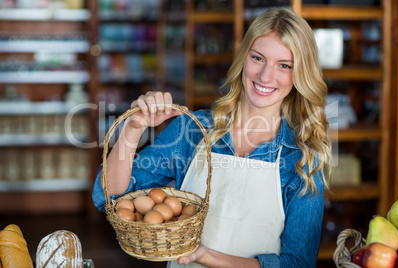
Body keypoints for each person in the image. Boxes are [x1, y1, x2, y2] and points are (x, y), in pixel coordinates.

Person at [92, 7, 332, 268]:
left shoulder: (302, 158)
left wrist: (205, 256)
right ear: (243, 58)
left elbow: (297, 264)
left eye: (284, 65)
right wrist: (134, 127)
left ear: (299, 75)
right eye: (258, 58)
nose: (265, 76)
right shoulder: (193, 131)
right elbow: (109, 197)